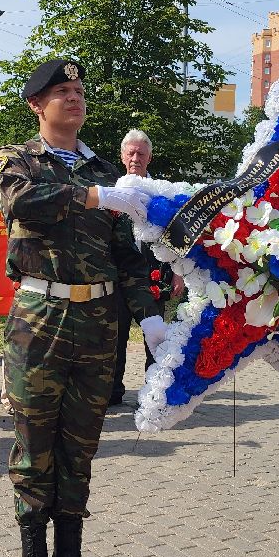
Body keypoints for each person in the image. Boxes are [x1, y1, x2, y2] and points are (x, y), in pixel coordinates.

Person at [0, 58, 162, 557]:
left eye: (80, 91)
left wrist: (150, 318)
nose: (75, 98)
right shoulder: (16, 160)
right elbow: (19, 202)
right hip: (39, 319)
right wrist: (91, 198)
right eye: (61, 91)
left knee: (80, 447)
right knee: (34, 445)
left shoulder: (107, 172)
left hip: (98, 324)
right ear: (37, 105)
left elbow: (129, 255)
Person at [108, 129, 176, 407]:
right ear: (123, 156)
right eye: (131, 153)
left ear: (149, 157)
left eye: (141, 154)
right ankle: (112, 391)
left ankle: (153, 392)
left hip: (154, 277)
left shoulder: (161, 192)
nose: (136, 158)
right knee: (115, 337)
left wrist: (179, 274)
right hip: (117, 278)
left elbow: (175, 235)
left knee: (156, 337)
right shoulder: (110, 190)